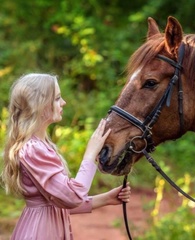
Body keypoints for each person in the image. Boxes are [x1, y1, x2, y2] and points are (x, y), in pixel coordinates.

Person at [1, 73, 131, 240]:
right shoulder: (34, 150)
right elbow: (72, 196)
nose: (63, 103)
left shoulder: (40, 146)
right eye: (57, 98)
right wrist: (90, 155)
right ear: (39, 105)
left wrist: (105, 199)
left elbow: (59, 202)